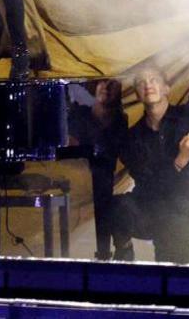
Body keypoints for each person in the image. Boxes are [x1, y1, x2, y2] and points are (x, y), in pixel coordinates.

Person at [109, 33, 189, 263]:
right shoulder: (133, 137)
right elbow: (152, 182)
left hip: (179, 213)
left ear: (166, 88)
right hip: (147, 210)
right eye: (141, 82)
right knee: (117, 205)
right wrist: (179, 161)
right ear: (137, 92)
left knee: (174, 274)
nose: (148, 85)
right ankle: (124, 255)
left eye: (154, 80)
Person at [68, 79, 127, 260]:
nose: (107, 88)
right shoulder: (79, 113)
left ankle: (106, 252)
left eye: (113, 84)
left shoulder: (119, 121)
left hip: (101, 177)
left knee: (105, 193)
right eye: (103, 82)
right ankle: (104, 252)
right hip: (73, 174)